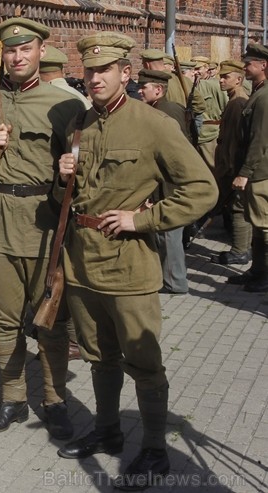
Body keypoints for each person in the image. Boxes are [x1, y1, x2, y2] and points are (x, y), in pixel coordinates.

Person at [56, 33, 217, 490]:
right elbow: (71, 198)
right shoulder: (79, 124)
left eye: (105, 69)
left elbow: (203, 190)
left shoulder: (154, 124)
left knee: (143, 361)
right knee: (98, 358)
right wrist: (61, 177)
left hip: (129, 266)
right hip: (83, 261)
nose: (95, 78)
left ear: (126, 74)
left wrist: (144, 220)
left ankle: (153, 447)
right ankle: (107, 431)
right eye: (89, 70)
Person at [0, 17, 86, 438]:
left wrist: (69, 174)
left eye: (25, 48)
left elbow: (86, 171)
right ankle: (11, 399)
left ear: (40, 51)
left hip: (45, 225)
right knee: (3, 321)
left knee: (50, 320)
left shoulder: (65, 105)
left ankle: (55, 400)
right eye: (10, 50)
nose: (17, 56)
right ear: (3, 55)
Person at [137, 69, 189, 294]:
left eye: (144, 87)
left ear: (158, 90)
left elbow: (175, 150)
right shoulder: (160, 108)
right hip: (164, 182)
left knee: (169, 235)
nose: (139, 90)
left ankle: (175, 282)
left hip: (169, 183)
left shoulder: (166, 111)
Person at [229, 43, 268, 292]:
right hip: (257, 171)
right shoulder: (258, 91)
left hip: (260, 172)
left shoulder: (264, 97)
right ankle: (257, 271)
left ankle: (265, 277)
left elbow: (259, 139)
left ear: (263, 65)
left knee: (264, 226)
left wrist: (245, 172)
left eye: (249, 64)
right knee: (256, 223)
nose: (245, 67)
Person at [211, 60, 251, 265]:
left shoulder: (237, 103)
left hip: (233, 165)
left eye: (226, 77)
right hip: (231, 163)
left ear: (238, 79)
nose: (221, 80)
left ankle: (240, 251)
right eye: (221, 76)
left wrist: (227, 168)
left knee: (238, 208)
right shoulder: (234, 99)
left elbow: (233, 141)